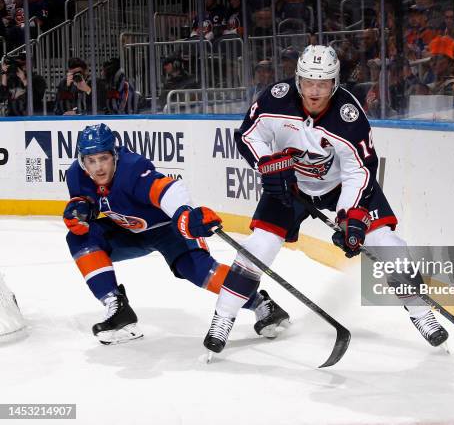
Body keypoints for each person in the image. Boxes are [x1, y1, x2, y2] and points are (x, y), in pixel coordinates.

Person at [196, 45, 449, 355]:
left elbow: (359, 171)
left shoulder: (349, 115)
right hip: (291, 187)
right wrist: (268, 164)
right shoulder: (275, 98)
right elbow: (248, 134)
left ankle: (422, 314)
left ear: (335, 83)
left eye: (323, 83)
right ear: (298, 79)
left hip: (341, 185)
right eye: (308, 82)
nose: (314, 91)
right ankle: (223, 319)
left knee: (389, 244)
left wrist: (351, 217)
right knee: (256, 249)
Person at [63, 123, 289, 345]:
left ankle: (262, 304)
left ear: (115, 155)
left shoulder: (132, 168)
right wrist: (79, 210)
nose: (98, 167)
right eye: (91, 161)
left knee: (200, 272)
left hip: (169, 229)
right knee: (80, 237)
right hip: (130, 233)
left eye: (104, 158)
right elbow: (88, 201)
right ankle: (117, 308)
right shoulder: (76, 174)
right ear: (83, 161)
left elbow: (168, 189)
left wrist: (183, 214)